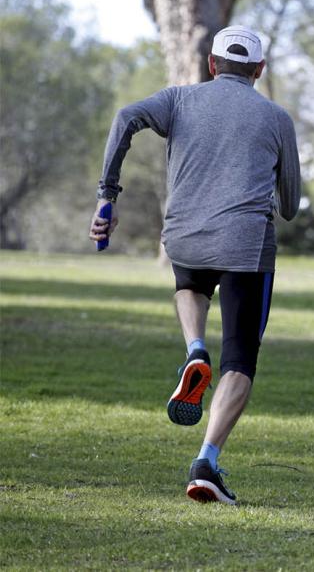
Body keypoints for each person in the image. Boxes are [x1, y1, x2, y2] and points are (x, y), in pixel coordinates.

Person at [89, 25, 301, 505]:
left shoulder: (179, 99)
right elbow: (290, 205)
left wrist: (108, 196)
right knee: (242, 360)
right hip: (246, 247)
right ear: (259, 71)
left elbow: (125, 117)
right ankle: (207, 461)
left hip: (184, 238)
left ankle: (195, 348)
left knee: (191, 284)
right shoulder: (275, 117)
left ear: (211, 64)